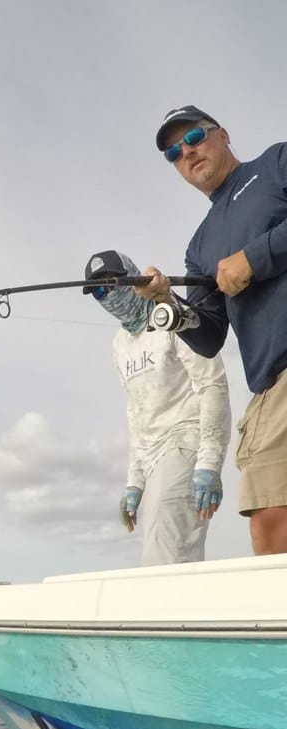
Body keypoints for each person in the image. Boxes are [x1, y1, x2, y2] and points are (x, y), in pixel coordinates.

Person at [136, 105, 287, 554]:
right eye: (173, 153)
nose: (187, 152)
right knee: (270, 525)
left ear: (222, 134)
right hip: (272, 389)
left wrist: (253, 259)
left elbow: (253, 261)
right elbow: (209, 336)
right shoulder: (199, 245)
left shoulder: (276, 164)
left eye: (195, 137)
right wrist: (168, 303)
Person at [85, 249, 231, 566]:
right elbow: (135, 413)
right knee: (155, 549)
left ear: (134, 277)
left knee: (167, 548)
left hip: (185, 439)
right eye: (98, 291)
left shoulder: (173, 312)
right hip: (150, 455)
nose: (107, 294)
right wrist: (134, 482)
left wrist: (209, 462)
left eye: (112, 283)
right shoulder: (119, 344)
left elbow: (212, 384)